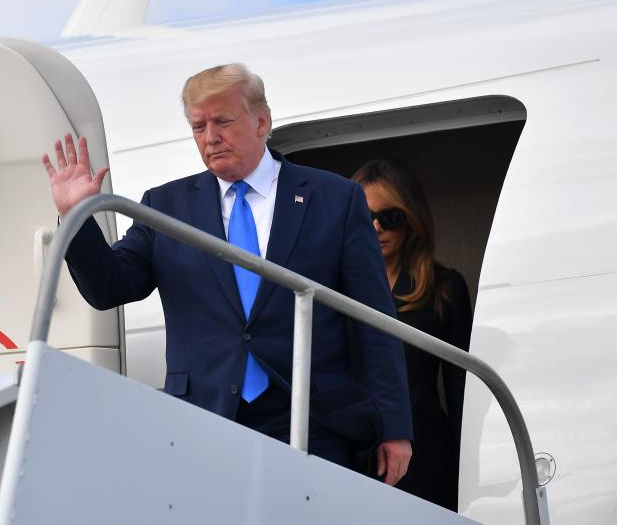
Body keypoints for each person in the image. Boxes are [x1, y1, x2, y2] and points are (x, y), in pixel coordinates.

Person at [42, 63, 413, 485]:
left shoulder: (334, 198)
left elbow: (375, 321)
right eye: (198, 126)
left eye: (222, 121)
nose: (210, 137)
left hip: (314, 418)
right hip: (205, 418)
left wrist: (395, 426)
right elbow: (109, 287)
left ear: (262, 121)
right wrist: (76, 216)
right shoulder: (166, 206)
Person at [352, 158, 473, 509]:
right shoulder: (333, 285)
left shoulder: (445, 288)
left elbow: (459, 386)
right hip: (352, 445)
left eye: (390, 217)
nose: (375, 227)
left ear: (412, 219)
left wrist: (469, 465)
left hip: (424, 447)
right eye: (364, 216)